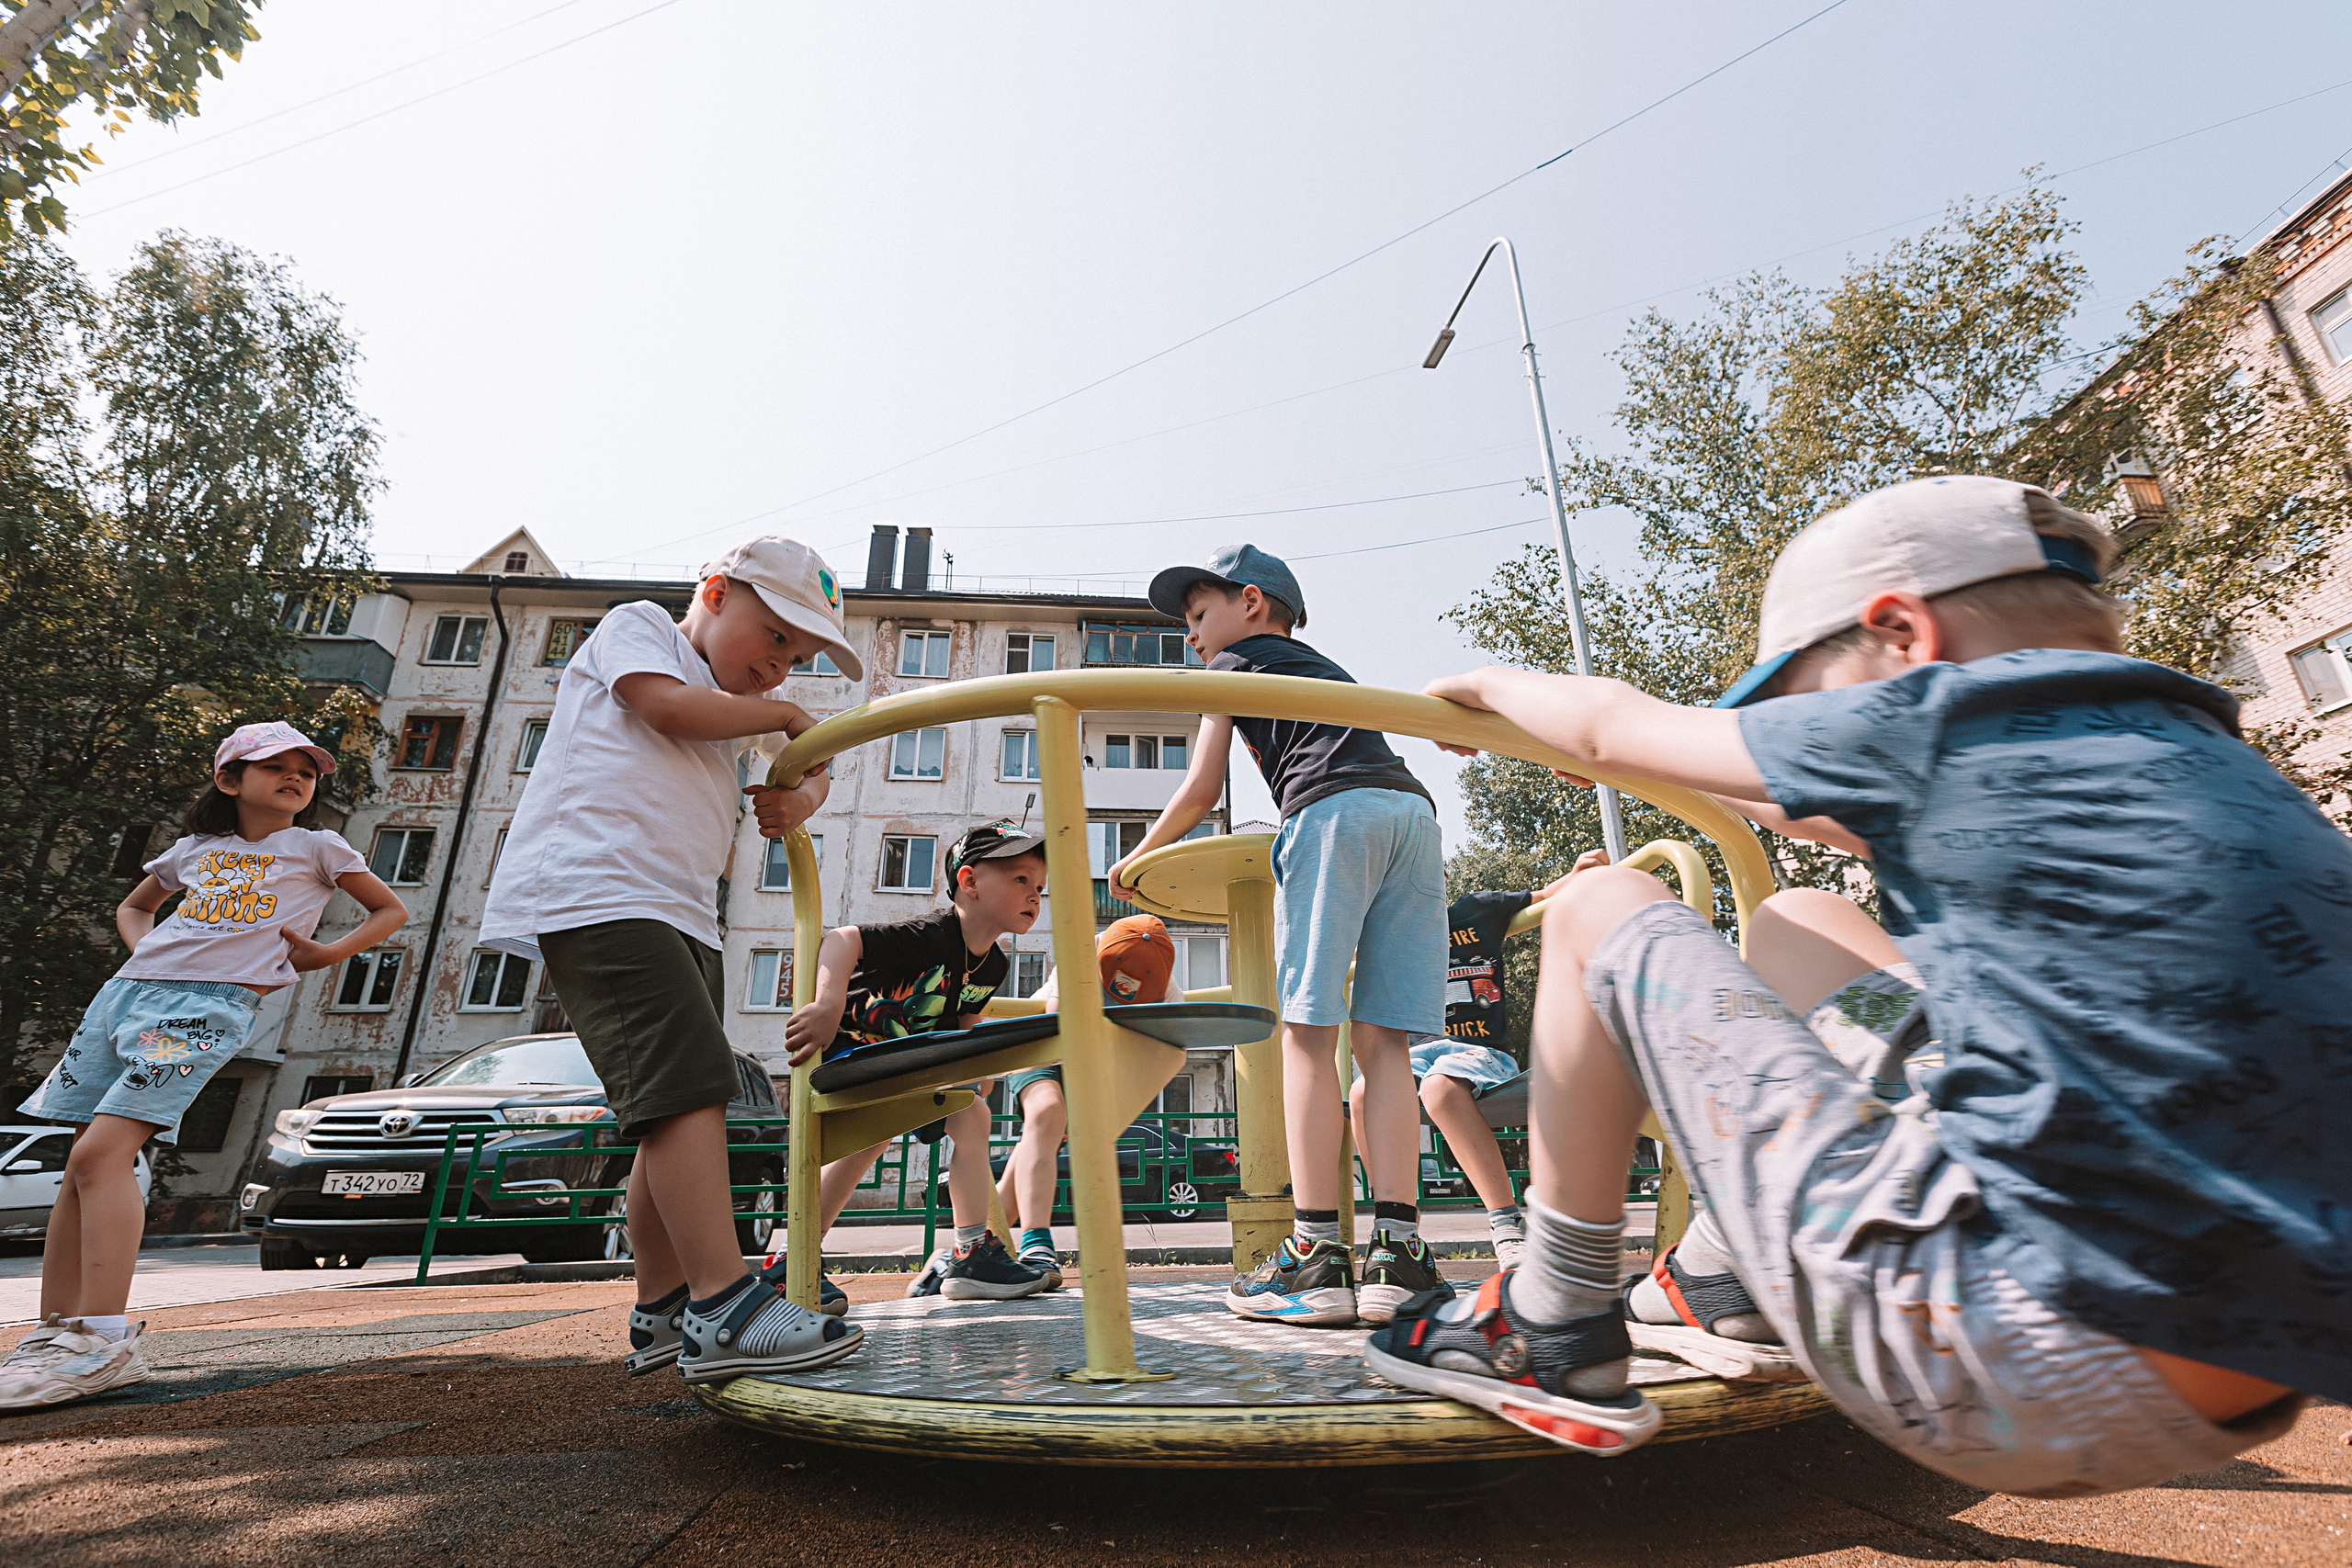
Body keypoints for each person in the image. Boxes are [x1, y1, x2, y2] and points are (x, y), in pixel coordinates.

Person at [1370, 476, 2342, 1495]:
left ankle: (1549, 1317)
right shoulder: (2190, 750)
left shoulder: (1933, 714)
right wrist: (1662, 768)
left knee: (1595, 905)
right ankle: (1720, 1275)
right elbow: (1809, 810)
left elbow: (1610, 724)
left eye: (1801, 704)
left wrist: (1490, 691)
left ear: (1902, 633)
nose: (1804, 730)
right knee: (1800, 920)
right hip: (2253, 1363)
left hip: (1988, 1350)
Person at [481, 536, 860, 1384]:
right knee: (686, 1091)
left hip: (683, 910)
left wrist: (802, 793)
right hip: (599, 890)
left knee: (676, 1103)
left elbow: (814, 762)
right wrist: (784, 718)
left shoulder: (738, 703)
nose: (779, 666)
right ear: (716, 593)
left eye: (796, 657)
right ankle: (723, 1303)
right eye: (774, 635)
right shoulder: (643, 629)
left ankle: (663, 1306)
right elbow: (665, 708)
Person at [1, 723, 408, 1412]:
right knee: (79, 1163)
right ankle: (54, 1333)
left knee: (101, 1154)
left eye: (306, 770)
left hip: (202, 1009)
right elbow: (136, 906)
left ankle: (103, 1340)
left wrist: (325, 954)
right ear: (229, 779)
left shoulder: (317, 847)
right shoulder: (193, 850)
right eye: (274, 765)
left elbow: (389, 909)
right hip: (123, 997)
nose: (295, 776)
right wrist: (145, 949)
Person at [1114, 544, 1448, 1326]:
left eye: (1198, 614)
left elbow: (1201, 787)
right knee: (1384, 1044)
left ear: (1251, 603)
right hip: (1412, 814)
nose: (1191, 635)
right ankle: (1398, 1253)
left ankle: (1316, 1252)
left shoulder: (1229, 668)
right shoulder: (1326, 669)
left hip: (1331, 814)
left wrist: (1135, 858)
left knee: (1306, 1032)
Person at [783, 821, 1053, 1303]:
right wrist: (826, 1004)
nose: (1035, 895)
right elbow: (843, 939)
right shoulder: (929, 935)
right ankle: (794, 1259)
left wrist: (975, 1068)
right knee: (874, 1138)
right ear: (969, 882)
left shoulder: (994, 964)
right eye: (1020, 879)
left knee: (971, 1113)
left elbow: (965, 1016)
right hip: (855, 1051)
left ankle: (971, 1254)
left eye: (1040, 887)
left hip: (907, 1065)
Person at [1344, 861, 1597, 1272]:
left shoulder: (1478, 910)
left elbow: (1546, 896)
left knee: (1439, 1088)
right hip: (1419, 1054)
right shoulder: (1388, 936)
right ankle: (1397, 1224)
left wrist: (1578, 873)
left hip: (1480, 1050)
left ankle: (1507, 1223)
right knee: (1362, 1091)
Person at [996, 913, 1185, 1287]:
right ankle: (1036, 1246)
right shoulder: (1082, 955)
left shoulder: (1166, 988)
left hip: (1097, 1065)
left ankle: (971, 1250)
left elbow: (1162, 1055)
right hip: (1040, 1045)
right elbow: (1058, 1022)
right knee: (1047, 1112)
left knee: (1034, 1147)